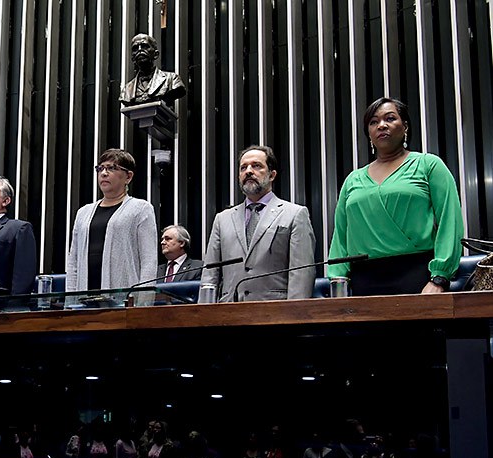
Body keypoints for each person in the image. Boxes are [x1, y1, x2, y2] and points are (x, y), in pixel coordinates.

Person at [327, 97, 464, 295]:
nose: (381, 125)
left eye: (390, 118)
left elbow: (449, 222)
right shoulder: (352, 179)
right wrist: (337, 279)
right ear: (368, 133)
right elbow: (340, 235)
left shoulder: (429, 165)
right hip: (362, 280)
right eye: (373, 122)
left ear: (405, 126)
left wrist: (439, 278)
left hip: (418, 276)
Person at [201, 145, 316, 302]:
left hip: (275, 315)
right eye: (243, 168)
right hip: (229, 314)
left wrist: (294, 319)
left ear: (271, 175)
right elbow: (210, 275)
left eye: (256, 166)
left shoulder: (295, 214)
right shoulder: (222, 219)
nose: (248, 171)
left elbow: (302, 274)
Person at [66, 149, 157, 292]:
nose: (104, 173)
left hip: (124, 299)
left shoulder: (141, 209)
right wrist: (70, 301)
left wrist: (143, 302)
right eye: (100, 168)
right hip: (83, 299)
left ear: (128, 177)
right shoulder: (83, 212)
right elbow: (73, 262)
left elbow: (149, 261)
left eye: (112, 168)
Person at [120, 34, 186, 106]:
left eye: (144, 46)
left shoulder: (172, 79)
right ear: (133, 59)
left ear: (156, 54)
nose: (139, 50)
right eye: (135, 48)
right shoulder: (126, 90)